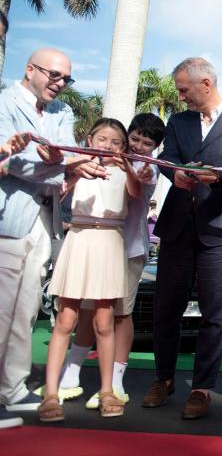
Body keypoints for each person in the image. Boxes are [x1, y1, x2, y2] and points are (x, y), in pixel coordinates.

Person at [142, 58, 222, 420]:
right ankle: (163, 378)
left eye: (184, 90)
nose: (180, 97)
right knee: (166, 309)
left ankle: (201, 387)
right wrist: (176, 173)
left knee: (215, 314)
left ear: (206, 84)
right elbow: (167, 159)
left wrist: (213, 176)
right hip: (178, 228)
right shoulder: (178, 123)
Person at [0, 49, 102, 426]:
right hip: (8, 219)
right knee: (1, 308)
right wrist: (62, 162)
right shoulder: (4, 102)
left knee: (25, 310)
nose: (59, 84)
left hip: (46, 220)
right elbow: (12, 162)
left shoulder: (62, 113)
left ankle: (12, 389)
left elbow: (56, 156)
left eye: (66, 79)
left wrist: (56, 160)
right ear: (29, 70)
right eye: (53, 75)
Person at [52, 113, 165, 410]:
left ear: (155, 148)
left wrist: (132, 171)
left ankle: (116, 382)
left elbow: (138, 188)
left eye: (147, 142)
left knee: (120, 313)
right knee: (88, 311)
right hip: (94, 246)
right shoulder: (100, 157)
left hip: (127, 249)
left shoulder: (148, 168)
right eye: (135, 138)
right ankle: (70, 376)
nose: (138, 145)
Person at [38, 118, 143, 422]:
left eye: (116, 142)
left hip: (110, 242)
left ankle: (108, 390)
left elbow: (136, 192)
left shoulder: (125, 171)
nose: (108, 146)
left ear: (123, 147)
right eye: (103, 139)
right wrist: (72, 169)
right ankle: (51, 392)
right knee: (65, 319)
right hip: (79, 240)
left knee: (104, 321)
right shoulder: (76, 166)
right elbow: (58, 195)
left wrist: (127, 168)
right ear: (89, 139)